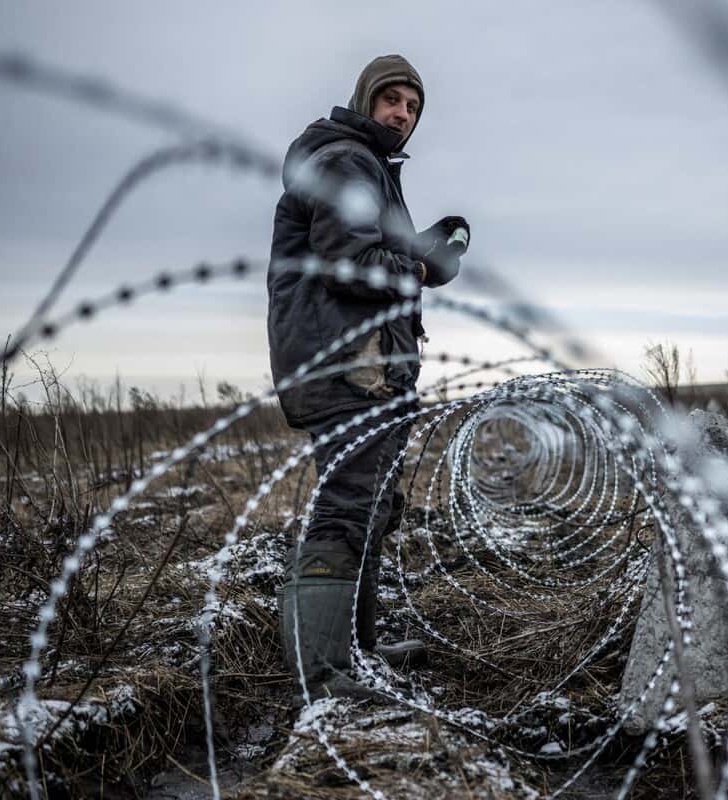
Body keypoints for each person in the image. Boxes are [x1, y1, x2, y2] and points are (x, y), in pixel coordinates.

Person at [267, 54, 468, 699]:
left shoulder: (368, 167)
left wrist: (422, 248)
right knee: (349, 502)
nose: (402, 114)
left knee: (372, 501)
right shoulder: (348, 160)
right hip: (345, 362)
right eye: (392, 100)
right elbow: (349, 262)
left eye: (412, 107)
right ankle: (323, 674)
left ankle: (357, 647)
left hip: (366, 363)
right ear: (366, 99)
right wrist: (417, 268)